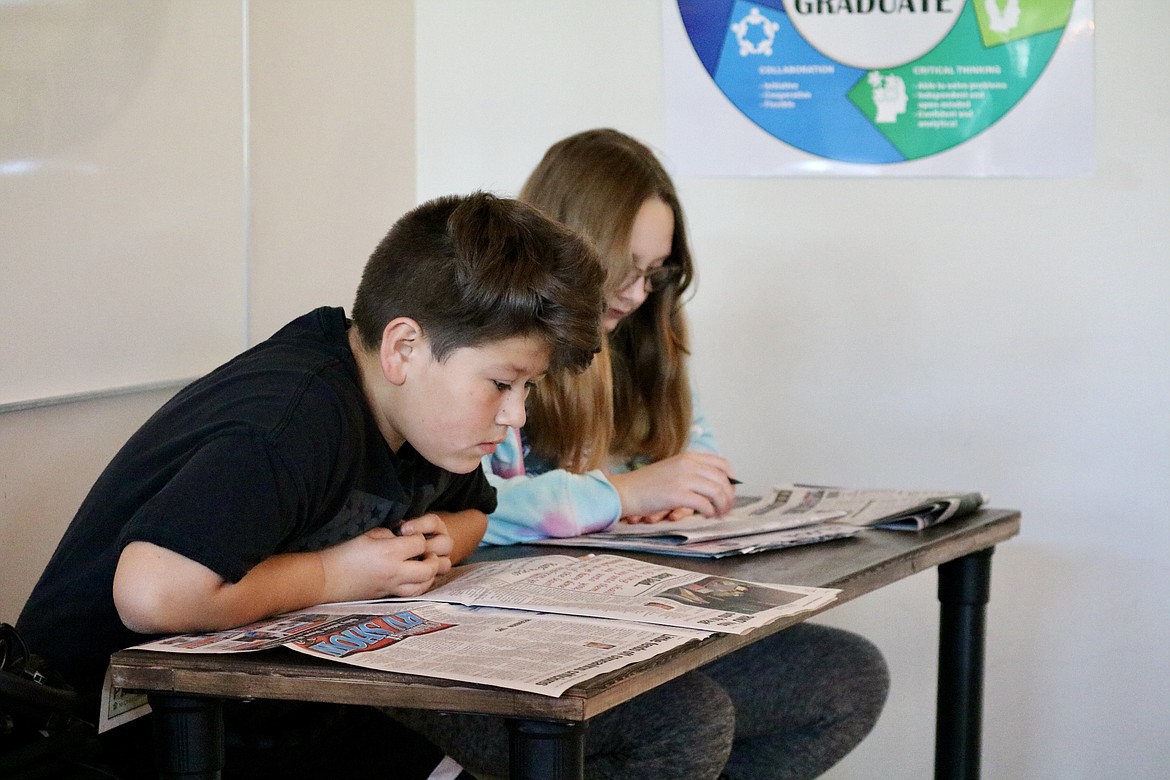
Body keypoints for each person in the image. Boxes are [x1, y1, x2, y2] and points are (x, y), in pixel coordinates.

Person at [15, 191, 605, 778]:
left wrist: (439, 540)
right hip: (100, 728)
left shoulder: (424, 420)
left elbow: (474, 514)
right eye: (502, 383)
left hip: (263, 703)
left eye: (528, 387)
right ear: (405, 348)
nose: (516, 415)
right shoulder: (289, 421)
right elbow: (152, 592)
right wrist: (336, 575)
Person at [390, 129, 891, 780]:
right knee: (688, 720)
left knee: (846, 678)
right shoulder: (494, 342)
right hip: (487, 627)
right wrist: (623, 494)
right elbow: (474, 507)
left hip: (619, 612)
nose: (637, 292)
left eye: (656, 273)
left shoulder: (642, 331)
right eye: (626, 265)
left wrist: (665, 488)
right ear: (578, 242)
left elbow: (696, 461)